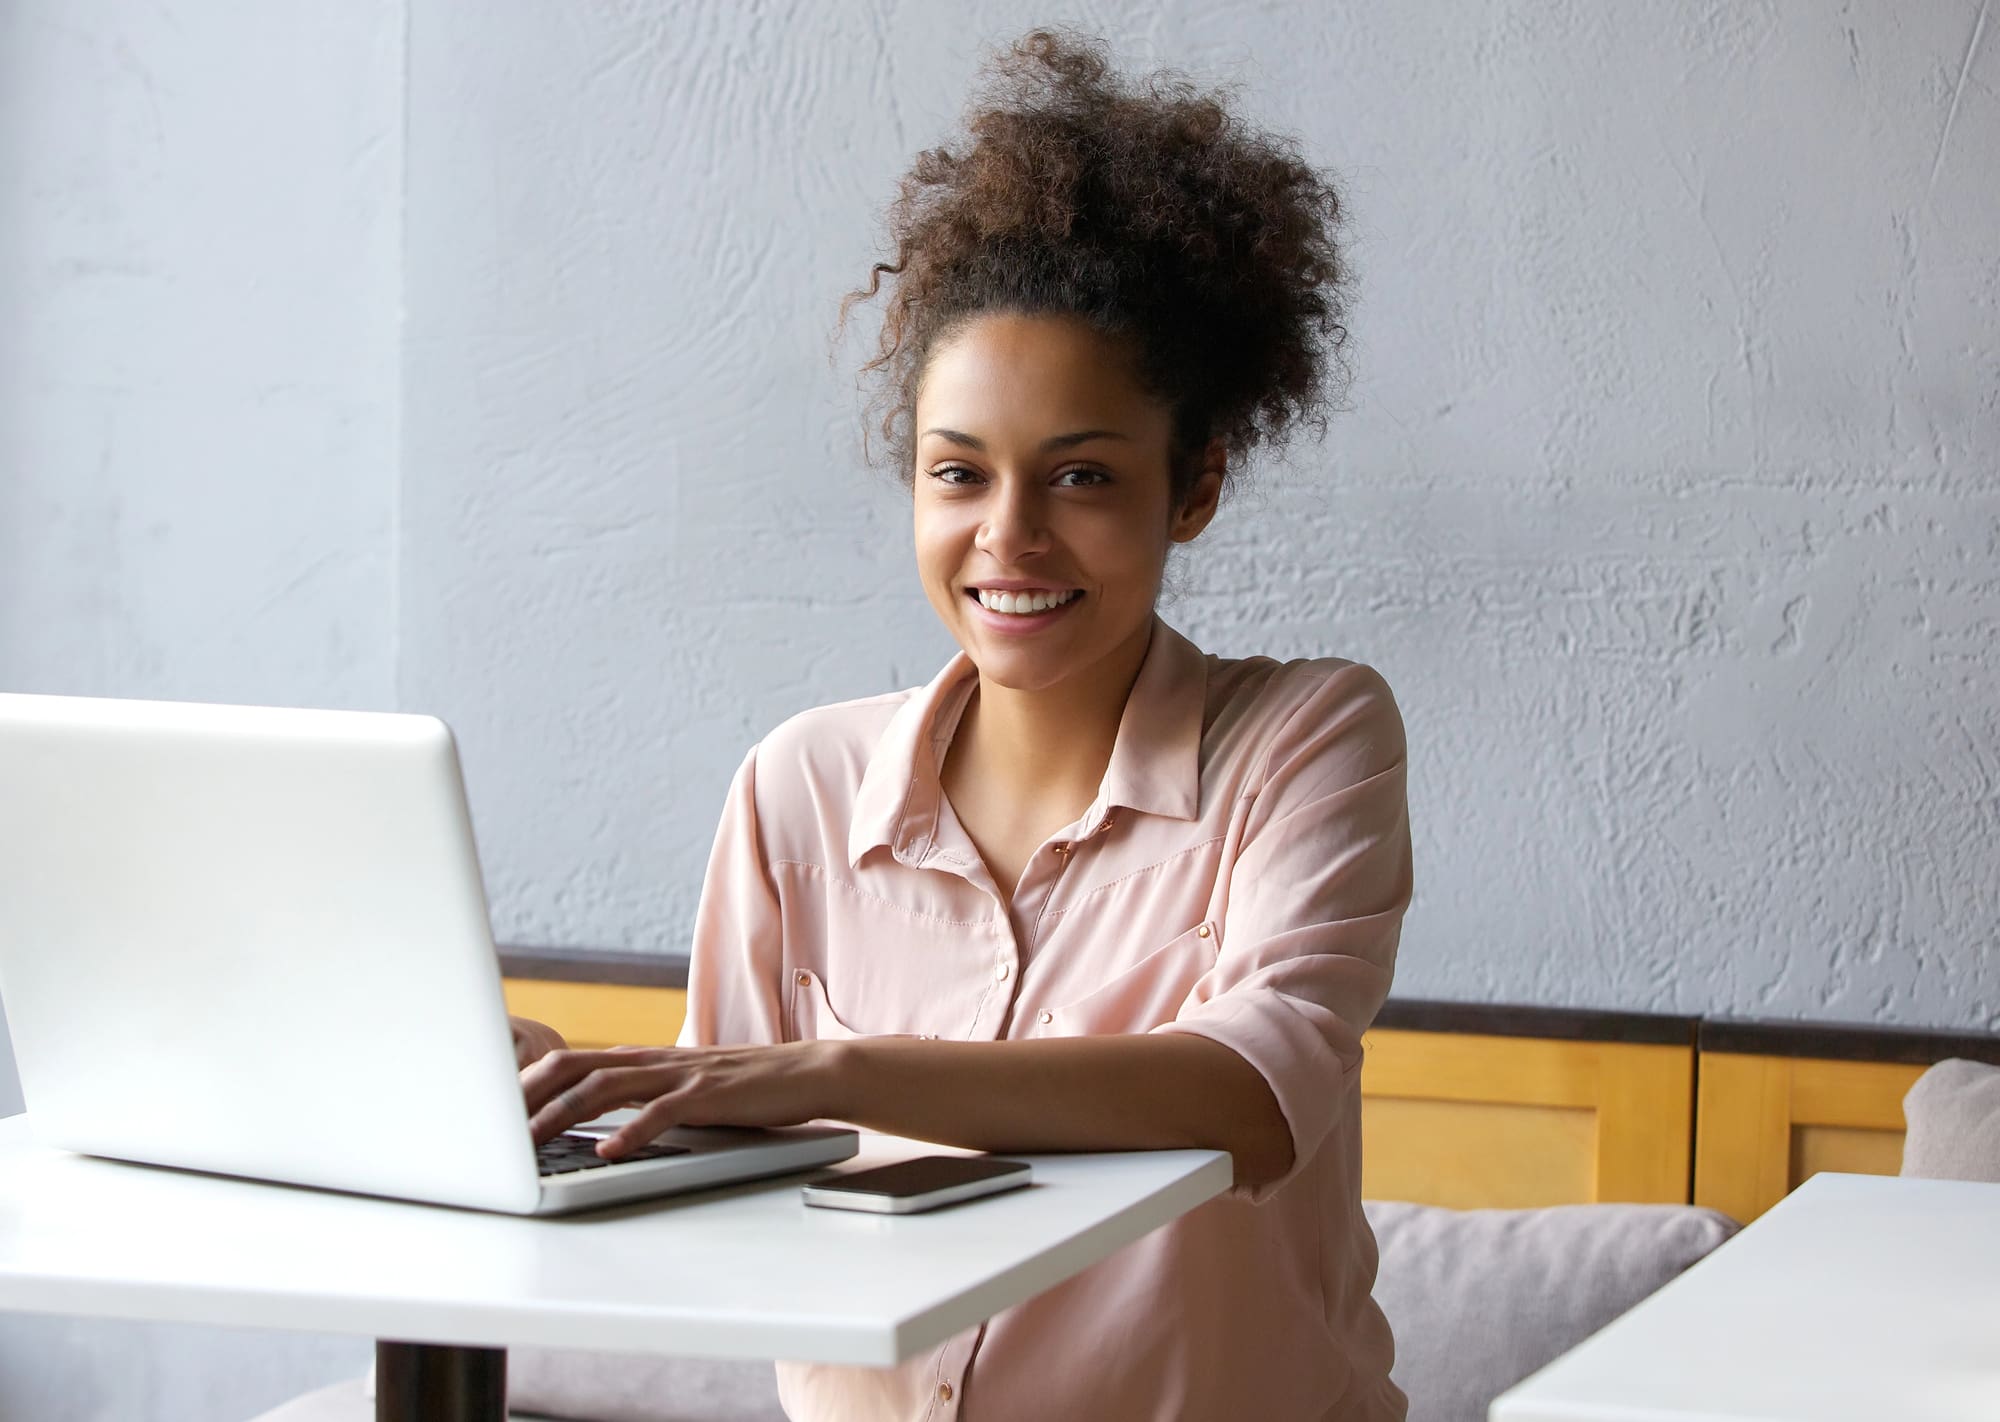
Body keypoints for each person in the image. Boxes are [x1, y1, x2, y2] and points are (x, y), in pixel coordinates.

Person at [513, 28, 1411, 1421]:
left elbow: (1252, 1087)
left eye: (1083, 476)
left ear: (1196, 486)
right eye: (959, 473)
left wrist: (836, 1067)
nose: (1011, 537)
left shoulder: (1305, 738)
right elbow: (720, 1169)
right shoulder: (799, 785)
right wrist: (538, 1086)